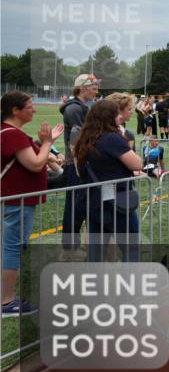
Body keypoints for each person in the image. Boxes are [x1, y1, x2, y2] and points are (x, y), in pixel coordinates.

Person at [2, 91, 64, 316]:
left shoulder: (10, 133)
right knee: (13, 247)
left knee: (13, 245)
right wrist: (47, 142)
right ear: (15, 111)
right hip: (18, 200)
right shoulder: (13, 135)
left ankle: (7, 298)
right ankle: (7, 302)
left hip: (18, 199)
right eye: (29, 106)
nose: (34, 109)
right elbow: (37, 164)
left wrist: (49, 143)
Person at [74, 100, 143, 263]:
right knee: (131, 248)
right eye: (116, 113)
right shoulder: (111, 138)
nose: (119, 116)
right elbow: (137, 164)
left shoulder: (83, 139)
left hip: (92, 200)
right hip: (114, 201)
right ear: (109, 117)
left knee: (96, 253)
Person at [59, 73, 99, 258]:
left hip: (80, 162)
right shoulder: (74, 109)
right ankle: (69, 247)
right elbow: (82, 138)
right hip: (75, 163)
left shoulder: (80, 107)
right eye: (93, 86)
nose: (96, 90)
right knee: (75, 204)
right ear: (82, 88)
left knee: (79, 204)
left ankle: (73, 245)